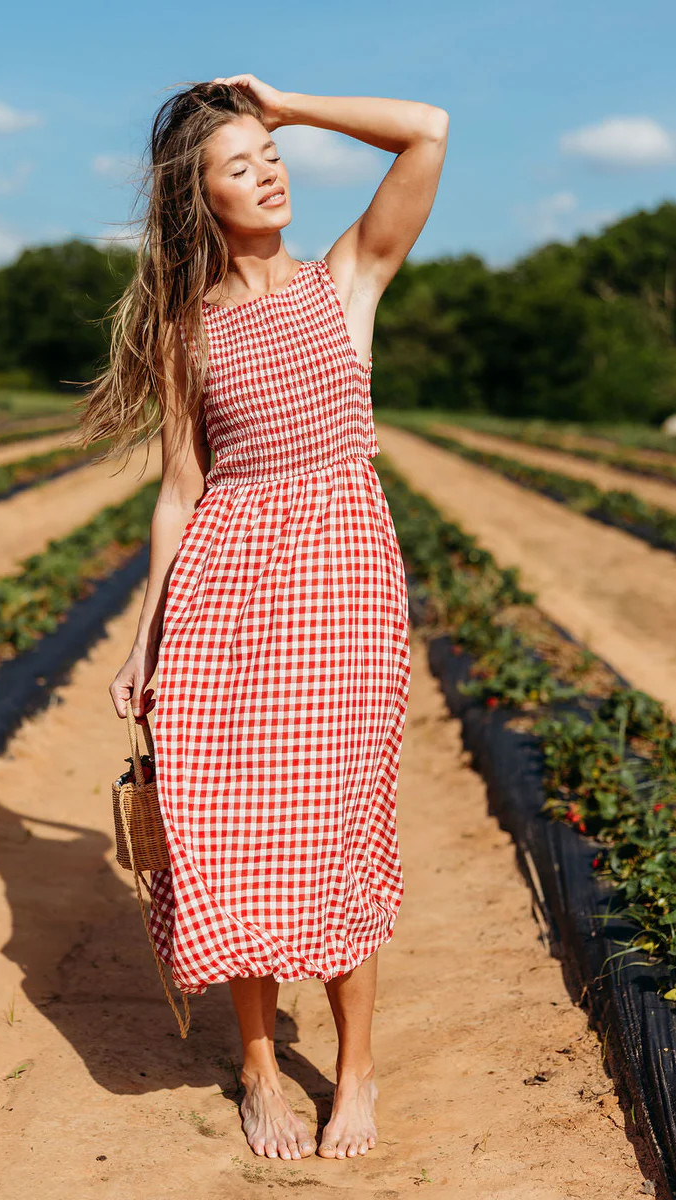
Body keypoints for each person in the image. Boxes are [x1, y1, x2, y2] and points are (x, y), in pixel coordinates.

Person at [80, 75, 448, 1162]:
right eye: (239, 165)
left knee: (336, 830)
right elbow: (181, 492)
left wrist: (284, 103)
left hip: (343, 594)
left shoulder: (346, 281)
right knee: (230, 835)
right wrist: (145, 636)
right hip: (226, 600)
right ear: (203, 202)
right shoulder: (186, 330)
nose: (269, 172)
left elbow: (426, 132)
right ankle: (254, 1069)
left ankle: (357, 1075)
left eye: (270, 154)